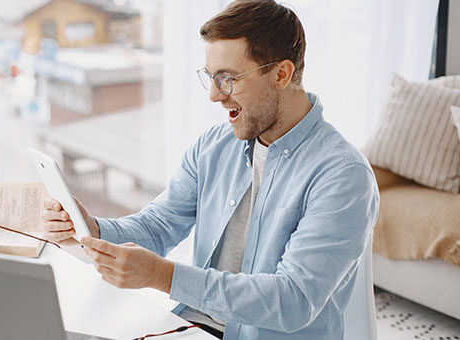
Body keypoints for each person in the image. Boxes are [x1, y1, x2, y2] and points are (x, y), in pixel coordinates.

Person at [42, 1, 379, 339]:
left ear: (281, 74)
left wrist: (165, 277)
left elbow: (293, 299)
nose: (215, 96)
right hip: (191, 327)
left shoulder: (343, 176)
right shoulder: (216, 145)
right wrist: (95, 229)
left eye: (228, 79)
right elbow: (159, 226)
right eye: (211, 78)